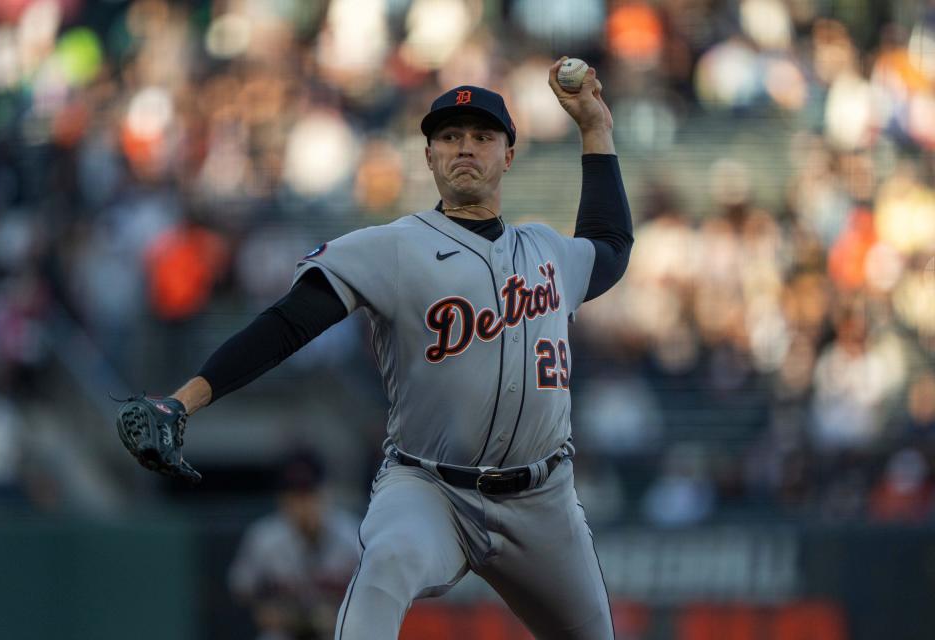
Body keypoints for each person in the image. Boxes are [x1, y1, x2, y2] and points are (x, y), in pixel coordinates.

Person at [123, 58, 634, 639]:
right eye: (449, 136)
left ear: (508, 156)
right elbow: (288, 323)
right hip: (430, 489)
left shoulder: (547, 251)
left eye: (482, 136)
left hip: (544, 498)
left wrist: (595, 128)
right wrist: (185, 400)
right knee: (384, 567)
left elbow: (611, 245)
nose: (465, 147)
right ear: (429, 157)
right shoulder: (392, 247)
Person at [228, 450, 360, 640]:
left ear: (326, 494)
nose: (303, 503)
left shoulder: (353, 535)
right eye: (295, 495)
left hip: (336, 630)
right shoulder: (264, 537)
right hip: (284, 631)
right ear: (282, 499)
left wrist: (345, 614)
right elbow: (240, 586)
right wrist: (263, 608)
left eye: (309, 493)